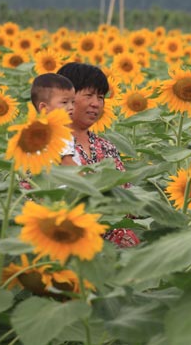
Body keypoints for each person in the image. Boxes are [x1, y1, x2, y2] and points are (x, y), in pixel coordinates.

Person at [57, 62, 139, 248]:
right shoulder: (46, 144)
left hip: (118, 249)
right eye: (88, 95)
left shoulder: (106, 146)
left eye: (101, 97)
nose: (96, 103)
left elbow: (128, 197)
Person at [30, 73, 76, 166]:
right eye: (64, 102)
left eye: (73, 102)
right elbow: (68, 164)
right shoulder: (58, 133)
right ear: (43, 108)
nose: (71, 107)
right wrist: (86, 179)